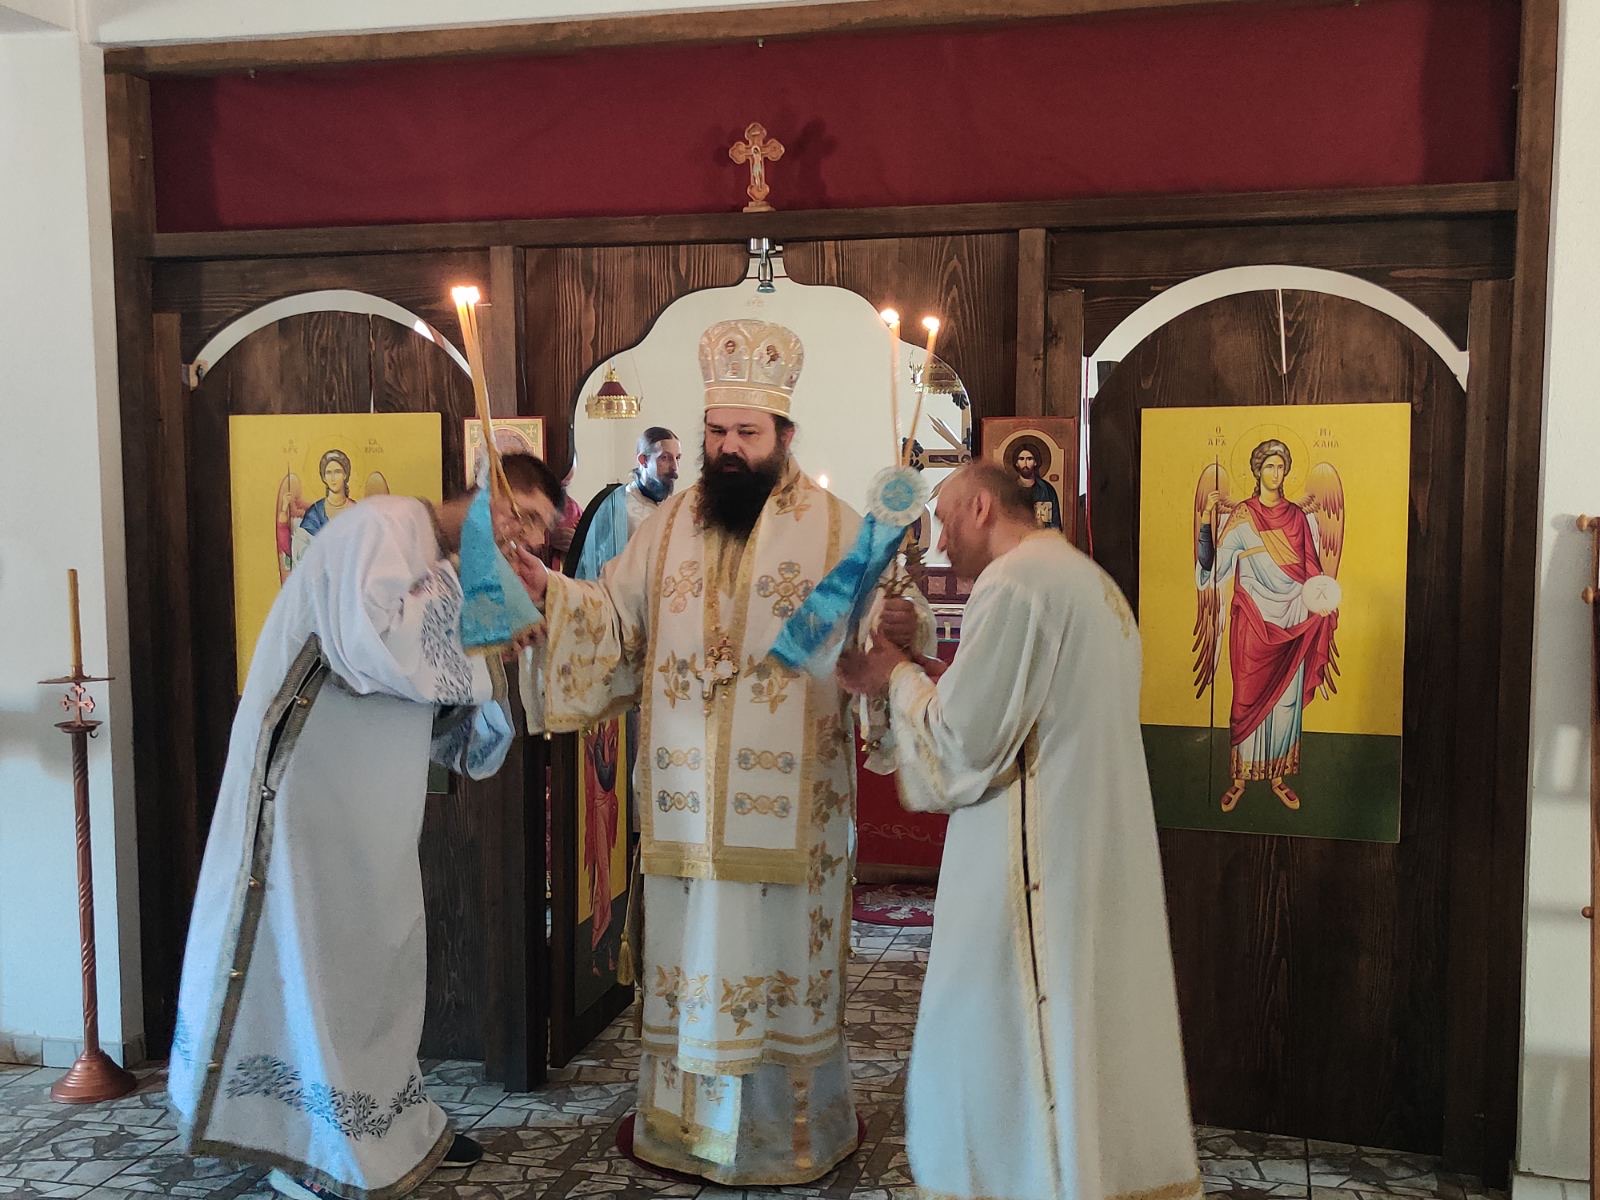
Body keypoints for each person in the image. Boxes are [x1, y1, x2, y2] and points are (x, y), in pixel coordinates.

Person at [511, 318, 926, 1186]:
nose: (728, 448)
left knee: (778, 964)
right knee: (693, 958)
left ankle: (786, 1135)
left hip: (794, 818)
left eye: (746, 432)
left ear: (784, 436)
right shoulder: (666, 528)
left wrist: (899, 622)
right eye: (716, 432)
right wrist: (546, 590)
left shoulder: (838, 530)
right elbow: (610, 617)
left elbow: (885, 629)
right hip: (686, 810)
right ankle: (683, 1130)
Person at [168, 454, 563, 1200]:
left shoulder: (440, 557)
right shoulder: (382, 524)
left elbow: (441, 695)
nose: (530, 538)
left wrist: (493, 635)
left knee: (378, 953)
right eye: (527, 515)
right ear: (487, 492)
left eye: (543, 530)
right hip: (309, 783)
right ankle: (305, 1147)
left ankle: (387, 1125)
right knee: (320, 953)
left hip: (373, 796)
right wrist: (475, 605)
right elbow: (367, 648)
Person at [836, 460, 1200, 1200]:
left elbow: (967, 740)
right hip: (1083, 842)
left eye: (945, 520)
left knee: (993, 1025)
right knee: (1081, 1027)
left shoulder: (1014, 583)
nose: (941, 544)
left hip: (1028, 856)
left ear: (979, 507)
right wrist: (922, 662)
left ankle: (1022, 1182)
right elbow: (1019, 704)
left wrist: (892, 676)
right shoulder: (1080, 578)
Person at [1197, 438, 1338, 813]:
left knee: (1287, 700)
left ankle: (1278, 776)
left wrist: (1322, 600)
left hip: (1294, 616)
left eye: (1281, 467)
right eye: (1269, 466)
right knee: (1246, 696)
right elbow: (1215, 569)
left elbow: (1311, 568)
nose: (1276, 473)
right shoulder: (1243, 516)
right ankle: (1240, 779)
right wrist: (1205, 523)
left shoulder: (1297, 517)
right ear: (1257, 471)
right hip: (1254, 620)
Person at [571, 425, 682, 581]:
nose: (675, 468)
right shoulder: (615, 505)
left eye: (678, 458)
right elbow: (594, 565)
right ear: (643, 460)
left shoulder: (675, 508)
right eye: (665, 458)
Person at [1008, 440, 1062, 530]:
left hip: (1041, 537)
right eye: (1021, 459)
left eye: (1029, 459)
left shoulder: (1047, 490)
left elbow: (1055, 524)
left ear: (1035, 462)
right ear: (1016, 463)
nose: (1025, 463)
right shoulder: (1009, 489)